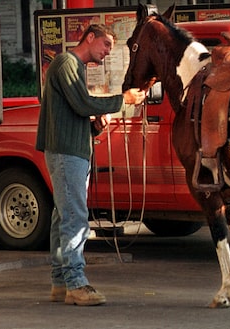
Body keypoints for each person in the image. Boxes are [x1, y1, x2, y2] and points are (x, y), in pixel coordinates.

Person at [36, 24, 146, 306]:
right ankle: (76, 283)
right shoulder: (66, 63)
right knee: (75, 217)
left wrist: (95, 125)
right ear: (89, 37)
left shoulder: (71, 66)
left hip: (70, 150)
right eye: (106, 45)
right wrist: (124, 100)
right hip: (66, 153)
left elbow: (76, 111)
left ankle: (60, 282)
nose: (108, 52)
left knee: (64, 215)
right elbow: (83, 104)